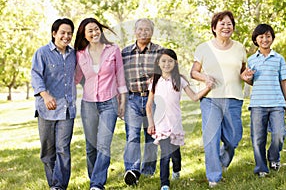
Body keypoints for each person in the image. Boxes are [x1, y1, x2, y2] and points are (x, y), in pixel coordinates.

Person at [190, 10, 247, 188]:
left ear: (233, 28)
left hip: (234, 97)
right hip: (211, 98)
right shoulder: (204, 48)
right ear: (214, 28)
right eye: (222, 23)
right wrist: (205, 78)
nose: (226, 26)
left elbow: (243, 72)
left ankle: (222, 160)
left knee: (234, 137)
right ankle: (214, 176)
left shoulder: (239, 48)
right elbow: (194, 72)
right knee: (211, 137)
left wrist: (248, 76)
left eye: (229, 24)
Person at [146, 49, 212, 190]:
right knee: (165, 154)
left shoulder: (179, 80)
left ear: (175, 63)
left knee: (175, 154)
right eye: (163, 61)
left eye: (170, 61)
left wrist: (207, 88)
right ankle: (165, 183)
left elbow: (194, 97)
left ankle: (176, 170)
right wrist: (150, 123)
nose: (167, 64)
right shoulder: (154, 81)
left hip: (175, 122)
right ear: (158, 63)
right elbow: (149, 105)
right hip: (161, 123)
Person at [74, 18, 127, 190]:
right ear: (84, 34)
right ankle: (94, 176)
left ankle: (97, 183)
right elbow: (74, 78)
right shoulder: (80, 53)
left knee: (103, 144)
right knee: (91, 146)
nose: (94, 33)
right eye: (90, 30)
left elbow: (120, 75)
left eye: (96, 29)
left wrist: (123, 101)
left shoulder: (113, 50)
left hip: (109, 102)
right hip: (88, 104)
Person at [31, 18, 76, 190]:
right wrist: (45, 95)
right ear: (54, 33)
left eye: (69, 33)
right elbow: (36, 75)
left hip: (67, 109)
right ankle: (53, 184)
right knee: (48, 151)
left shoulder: (74, 55)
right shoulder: (42, 53)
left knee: (63, 149)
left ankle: (59, 186)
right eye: (63, 32)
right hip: (46, 109)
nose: (66, 36)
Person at [240, 23, 286, 177]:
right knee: (258, 138)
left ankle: (274, 157)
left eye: (268, 36)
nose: (265, 39)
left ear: (272, 38)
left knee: (279, 134)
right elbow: (251, 80)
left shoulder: (279, 58)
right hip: (257, 104)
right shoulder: (251, 60)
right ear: (256, 40)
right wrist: (246, 78)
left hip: (277, 103)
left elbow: (284, 81)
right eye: (261, 36)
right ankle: (261, 168)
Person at [122, 18, 163, 185]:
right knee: (132, 135)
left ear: (152, 32)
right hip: (132, 98)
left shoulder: (160, 51)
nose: (143, 32)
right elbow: (119, 78)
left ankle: (148, 170)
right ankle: (132, 170)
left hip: (153, 98)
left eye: (147, 29)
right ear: (135, 31)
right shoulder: (125, 52)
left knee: (150, 135)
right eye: (140, 29)